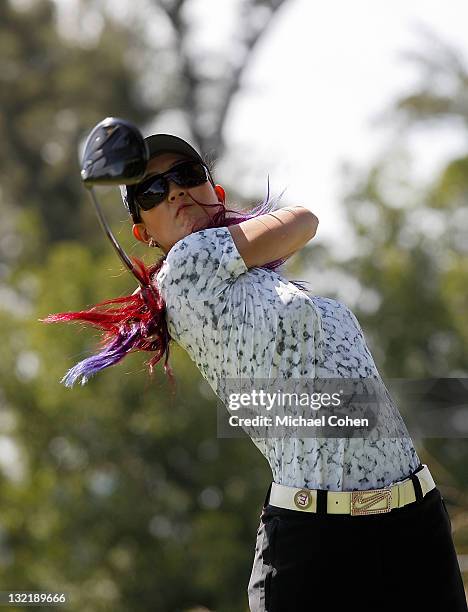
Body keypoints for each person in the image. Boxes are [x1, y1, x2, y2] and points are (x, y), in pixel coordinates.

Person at [47, 132, 468, 611]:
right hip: (321, 546)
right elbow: (304, 220)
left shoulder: (263, 283)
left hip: (413, 522)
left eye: (186, 175)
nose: (175, 191)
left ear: (215, 191)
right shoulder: (186, 267)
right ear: (143, 232)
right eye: (152, 191)